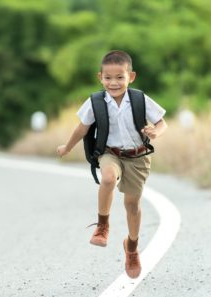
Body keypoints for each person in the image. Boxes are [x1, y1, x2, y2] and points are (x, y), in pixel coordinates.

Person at [56, 50, 167, 279]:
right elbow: (82, 128)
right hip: (110, 153)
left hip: (137, 157)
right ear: (100, 77)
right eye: (108, 78)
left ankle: (132, 247)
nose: (113, 83)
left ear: (131, 76)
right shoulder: (95, 102)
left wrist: (155, 132)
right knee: (107, 178)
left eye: (119, 77)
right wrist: (67, 147)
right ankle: (103, 226)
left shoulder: (139, 99)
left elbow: (161, 122)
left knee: (132, 205)